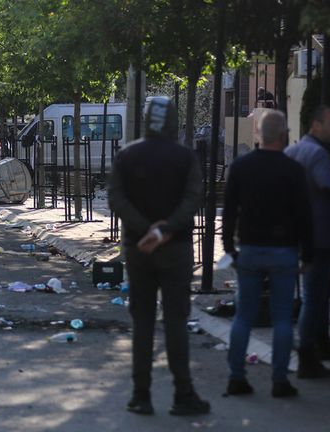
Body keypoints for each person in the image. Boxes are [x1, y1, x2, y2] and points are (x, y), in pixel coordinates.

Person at [108, 96, 210, 417]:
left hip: (138, 249)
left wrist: (144, 229)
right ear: (173, 122)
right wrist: (166, 228)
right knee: (176, 321)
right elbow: (194, 197)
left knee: (143, 322)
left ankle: (141, 394)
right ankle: (183, 393)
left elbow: (116, 198)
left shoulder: (127, 155)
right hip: (176, 248)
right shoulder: (185, 157)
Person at [223, 110, 312, 398]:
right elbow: (304, 216)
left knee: (243, 316)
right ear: (284, 134)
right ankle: (279, 381)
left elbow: (229, 211)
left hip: (249, 249)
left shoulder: (241, 166)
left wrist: (228, 248)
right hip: (283, 252)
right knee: (283, 319)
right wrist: (307, 254)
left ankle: (236, 376)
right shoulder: (294, 170)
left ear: (259, 134)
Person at [284, 104, 330, 377]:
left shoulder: (292, 151)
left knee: (317, 290)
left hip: (298, 232)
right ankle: (309, 352)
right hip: (321, 233)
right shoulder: (318, 153)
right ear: (315, 125)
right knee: (316, 294)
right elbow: (327, 185)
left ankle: (320, 343)